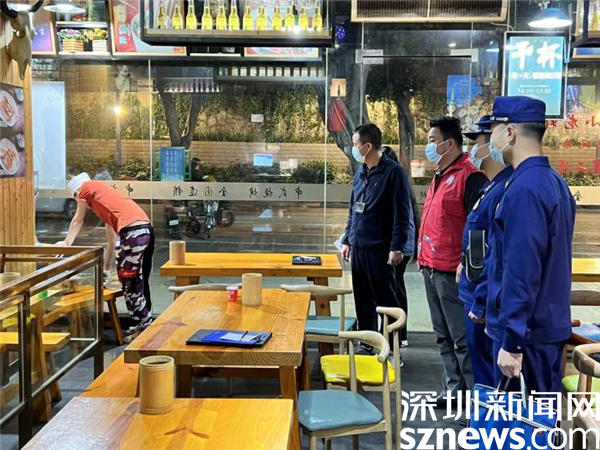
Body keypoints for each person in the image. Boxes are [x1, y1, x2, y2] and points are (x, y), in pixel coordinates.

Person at [480, 96, 576, 395]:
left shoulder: (525, 189)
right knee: (541, 414)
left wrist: (512, 341)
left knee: (521, 418)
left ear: (509, 132)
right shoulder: (551, 181)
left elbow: (522, 271)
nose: (490, 140)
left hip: (527, 336)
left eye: (493, 130)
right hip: (543, 328)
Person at [418, 116, 487, 407]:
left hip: (451, 272)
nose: (429, 146)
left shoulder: (470, 177)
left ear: (449, 144)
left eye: (432, 141)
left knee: (461, 339)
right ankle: (454, 390)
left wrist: (464, 261)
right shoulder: (439, 175)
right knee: (442, 336)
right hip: (430, 266)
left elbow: (478, 228)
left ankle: (475, 401)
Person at [341, 124, 413, 353]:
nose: (353, 149)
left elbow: (402, 213)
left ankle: (391, 348)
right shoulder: (361, 172)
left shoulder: (393, 172)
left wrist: (397, 246)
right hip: (359, 247)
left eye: (355, 145)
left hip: (381, 249)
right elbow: (353, 209)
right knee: (362, 299)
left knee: (385, 300)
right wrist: (347, 239)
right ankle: (368, 343)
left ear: (368, 146)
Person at [58, 173, 155, 340]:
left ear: (77, 192)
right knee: (140, 279)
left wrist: (66, 243)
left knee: (130, 283)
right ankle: (143, 323)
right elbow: (112, 240)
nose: (79, 201)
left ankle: (146, 331)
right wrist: (106, 270)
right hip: (145, 230)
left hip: (133, 233)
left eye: (76, 197)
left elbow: (78, 220)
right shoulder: (105, 197)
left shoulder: (86, 188)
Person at [456, 116, 513, 387]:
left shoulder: (505, 189)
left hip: (485, 295)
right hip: (475, 288)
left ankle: (487, 412)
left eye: (477, 142)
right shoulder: (490, 186)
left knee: (489, 371)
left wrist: (481, 300)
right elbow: (477, 238)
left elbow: (497, 252)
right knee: (480, 363)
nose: (473, 150)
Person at [382, 146, 420, 347]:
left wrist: (398, 248)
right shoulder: (394, 181)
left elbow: (403, 220)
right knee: (396, 289)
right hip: (398, 246)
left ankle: (398, 334)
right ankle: (398, 333)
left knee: (394, 290)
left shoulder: (395, 182)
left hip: (398, 248)